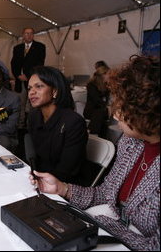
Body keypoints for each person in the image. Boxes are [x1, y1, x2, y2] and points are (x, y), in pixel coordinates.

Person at [29, 55, 160, 251]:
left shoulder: (73, 122)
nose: (115, 113)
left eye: (122, 105)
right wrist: (62, 189)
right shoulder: (131, 143)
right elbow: (106, 194)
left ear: (149, 110)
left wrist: (105, 225)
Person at [26, 66, 90, 185]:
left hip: (65, 186)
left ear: (55, 91)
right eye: (29, 88)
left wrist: (41, 181)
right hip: (40, 180)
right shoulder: (33, 116)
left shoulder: (74, 122)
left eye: (39, 86)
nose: (31, 92)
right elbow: (37, 157)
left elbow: (66, 171)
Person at [84, 65, 111, 137]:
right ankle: (92, 134)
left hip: (101, 111)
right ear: (103, 75)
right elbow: (97, 101)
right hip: (91, 111)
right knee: (100, 112)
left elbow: (106, 100)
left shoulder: (106, 86)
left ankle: (102, 137)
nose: (109, 76)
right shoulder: (91, 85)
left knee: (102, 113)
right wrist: (107, 108)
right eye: (108, 74)